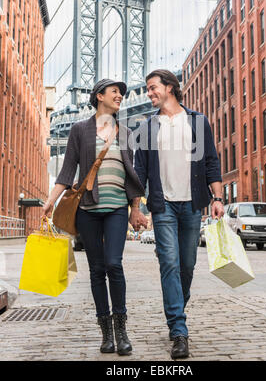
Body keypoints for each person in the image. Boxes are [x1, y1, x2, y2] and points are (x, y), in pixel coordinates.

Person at [42, 79, 146, 356]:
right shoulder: (79, 130)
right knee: (97, 269)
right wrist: (51, 201)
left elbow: (133, 174)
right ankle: (107, 333)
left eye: (122, 94)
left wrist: (135, 208)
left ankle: (122, 328)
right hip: (87, 210)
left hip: (116, 209)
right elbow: (67, 172)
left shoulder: (125, 132)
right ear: (99, 96)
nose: (120, 96)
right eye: (115, 92)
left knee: (114, 264)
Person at [132, 69, 224, 359]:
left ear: (170, 87)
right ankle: (179, 330)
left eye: (152, 88)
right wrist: (136, 207)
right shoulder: (148, 127)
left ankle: (175, 310)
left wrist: (218, 197)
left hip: (193, 202)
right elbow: (140, 171)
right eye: (148, 89)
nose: (149, 93)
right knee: (169, 264)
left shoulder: (197, 121)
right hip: (164, 205)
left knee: (186, 265)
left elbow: (210, 160)